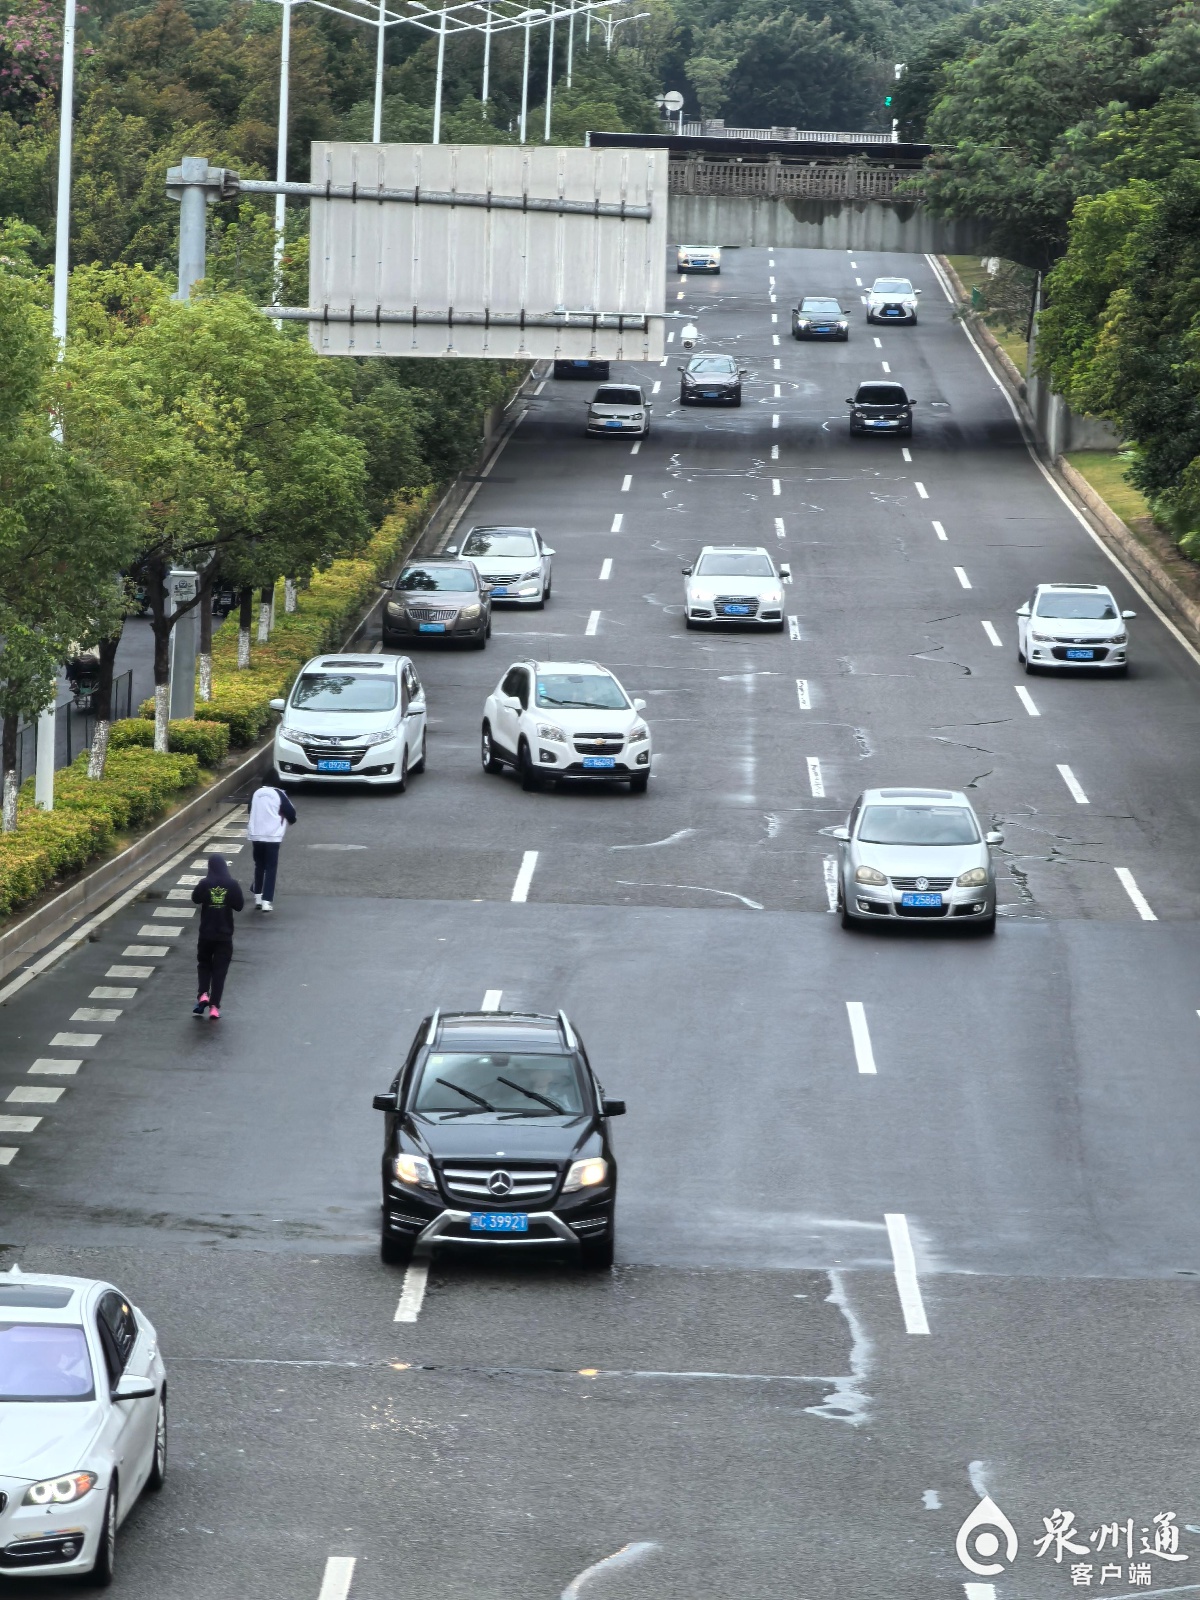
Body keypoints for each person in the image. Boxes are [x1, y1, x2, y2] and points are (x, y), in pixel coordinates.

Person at [191, 854, 244, 1020]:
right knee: (220, 971)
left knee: (204, 964)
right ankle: (214, 1006)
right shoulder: (232, 884)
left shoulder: (205, 883)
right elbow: (239, 906)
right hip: (224, 936)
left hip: (206, 934)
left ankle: (203, 994)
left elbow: (195, 898)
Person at [246, 783, 298, 913]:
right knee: (271, 868)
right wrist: (291, 820)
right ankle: (266, 901)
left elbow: (249, 810)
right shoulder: (279, 793)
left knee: (259, 865)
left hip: (256, 835)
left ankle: (257, 897)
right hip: (272, 837)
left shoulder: (256, 793)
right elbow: (291, 813)